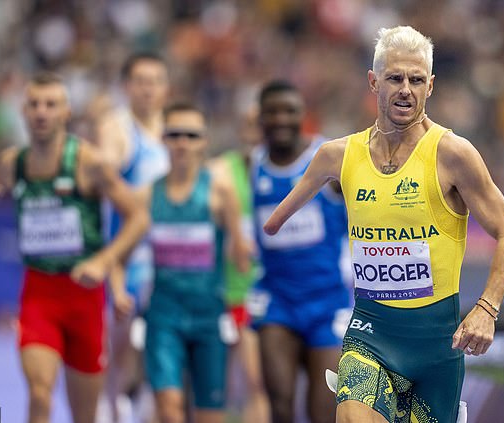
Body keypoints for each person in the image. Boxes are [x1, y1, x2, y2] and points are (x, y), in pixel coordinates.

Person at [263, 26, 504, 423]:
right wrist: (274, 225)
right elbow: (273, 222)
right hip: (371, 333)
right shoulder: (338, 156)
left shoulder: (453, 154)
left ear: (431, 86)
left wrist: (487, 309)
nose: (406, 89)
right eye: (395, 78)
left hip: (437, 347)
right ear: (374, 82)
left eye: (416, 79)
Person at [0, 72, 150, 423]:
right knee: (39, 391)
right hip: (39, 295)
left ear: (65, 112)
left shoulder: (89, 163)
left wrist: (104, 261)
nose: (42, 112)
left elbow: (138, 217)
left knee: (84, 415)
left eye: (51, 104)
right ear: (23, 111)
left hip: (85, 299)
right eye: (34, 104)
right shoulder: (12, 163)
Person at [250, 80, 352, 423]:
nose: (281, 119)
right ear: (259, 118)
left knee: (323, 413)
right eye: (272, 111)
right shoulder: (250, 167)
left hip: (327, 304)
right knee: (279, 406)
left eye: (289, 111)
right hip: (277, 303)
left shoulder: (328, 161)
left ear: (302, 116)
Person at [144, 102, 250, 423]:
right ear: (163, 138)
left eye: (191, 135)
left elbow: (241, 257)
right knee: (169, 408)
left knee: (210, 415)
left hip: (208, 315)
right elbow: (122, 247)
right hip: (164, 314)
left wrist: (241, 295)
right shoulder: (148, 195)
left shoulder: (220, 193)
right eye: (174, 134)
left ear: (203, 141)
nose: (182, 143)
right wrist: (120, 285)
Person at [94, 52, 170, 423]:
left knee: (161, 343)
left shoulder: (175, 131)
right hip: (127, 255)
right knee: (119, 346)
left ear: (165, 88)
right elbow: (105, 170)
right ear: (127, 87)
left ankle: (143, 406)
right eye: (140, 81)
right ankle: (108, 407)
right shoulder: (117, 128)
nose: (147, 89)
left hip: (168, 256)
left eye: (154, 81)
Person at [210, 107, 270, 423]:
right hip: (225, 293)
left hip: (261, 296)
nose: (254, 133)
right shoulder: (221, 170)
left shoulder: (286, 172)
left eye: (261, 126)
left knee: (256, 383)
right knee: (216, 390)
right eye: (248, 126)